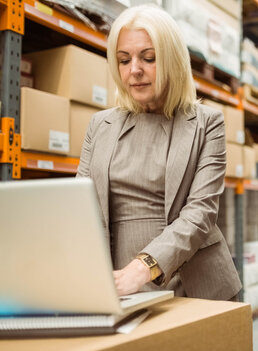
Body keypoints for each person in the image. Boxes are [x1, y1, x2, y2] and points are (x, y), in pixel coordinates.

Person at [76, 4, 242, 301]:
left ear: (172, 60)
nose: (135, 70)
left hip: (192, 283)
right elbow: (80, 207)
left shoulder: (207, 124)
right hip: (118, 283)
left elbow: (200, 213)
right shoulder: (100, 125)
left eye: (149, 58)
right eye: (124, 60)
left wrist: (144, 267)